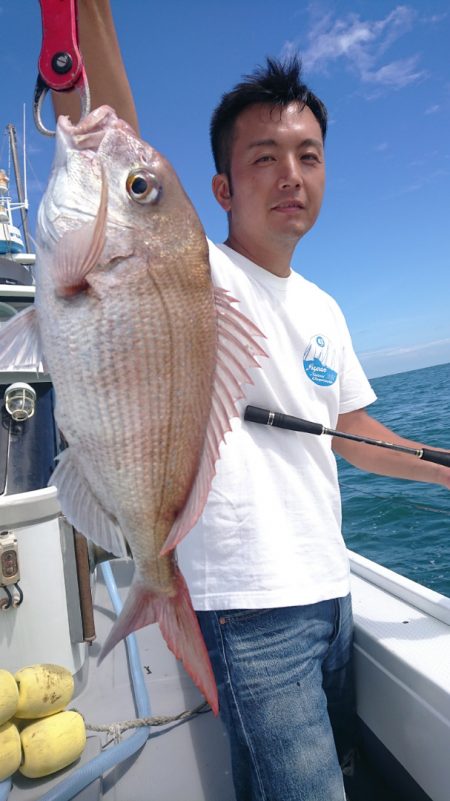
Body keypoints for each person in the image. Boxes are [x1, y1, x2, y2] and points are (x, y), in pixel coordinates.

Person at [52, 5, 450, 800]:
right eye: (265, 158)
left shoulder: (324, 306)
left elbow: (347, 430)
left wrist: (442, 468)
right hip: (250, 608)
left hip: (331, 590)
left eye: (309, 155)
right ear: (222, 188)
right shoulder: (187, 267)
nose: (291, 174)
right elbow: (113, 145)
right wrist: (85, 14)